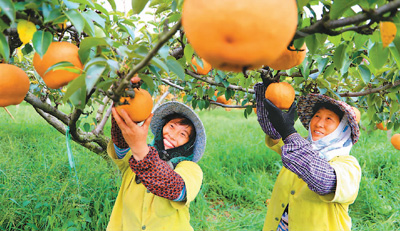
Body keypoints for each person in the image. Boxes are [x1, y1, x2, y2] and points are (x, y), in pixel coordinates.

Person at [254, 81, 361, 231]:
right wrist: (266, 92)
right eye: (317, 116)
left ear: (343, 129)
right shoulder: (300, 145)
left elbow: (324, 181)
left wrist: (289, 132)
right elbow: (274, 132)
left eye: (329, 119)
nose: (319, 123)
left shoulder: (349, 165)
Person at [107, 101, 206, 230]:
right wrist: (123, 99)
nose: (172, 135)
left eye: (183, 134)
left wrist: (141, 152)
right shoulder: (135, 153)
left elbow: (176, 189)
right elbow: (121, 143)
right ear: (162, 127)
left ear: (189, 143)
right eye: (171, 126)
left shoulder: (190, 169)